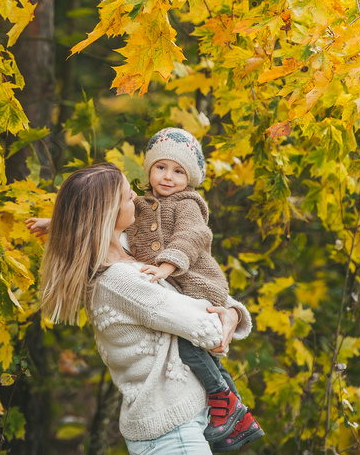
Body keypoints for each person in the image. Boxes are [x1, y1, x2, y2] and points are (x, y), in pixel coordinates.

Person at [30, 129, 264, 449]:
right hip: (173, 432)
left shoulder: (132, 257)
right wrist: (229, 315)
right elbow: (209, 330)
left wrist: (233, 313)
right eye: (129, 197)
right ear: (110, 213)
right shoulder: (123, 281)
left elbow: (86, 221)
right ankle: (230, 405)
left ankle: (231, 407)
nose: (137, 202)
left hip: (177, 425)